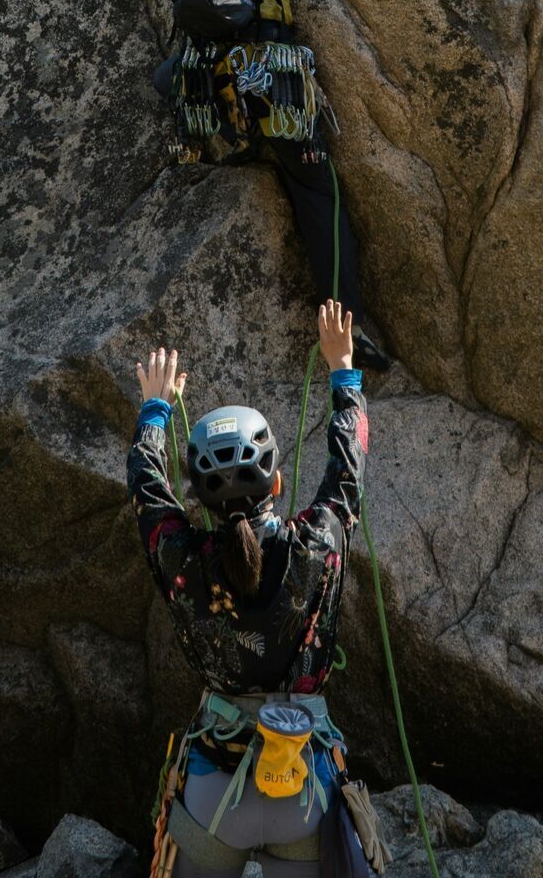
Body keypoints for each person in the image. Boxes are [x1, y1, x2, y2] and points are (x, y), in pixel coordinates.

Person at [155, 0, 463, 371]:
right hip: (270, 78)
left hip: (204, 82)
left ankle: (235, 148)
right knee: (319, 194)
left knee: (188, 103)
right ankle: (344, 329)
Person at [128, 302, 367, 878]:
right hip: (304, 789)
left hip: (214, 789)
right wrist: (344, 371)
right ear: (277, 482)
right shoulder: (316, 545)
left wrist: (157, 410)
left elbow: (146, 486)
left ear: (201, 501)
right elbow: (348, 467)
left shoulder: (180, 557)